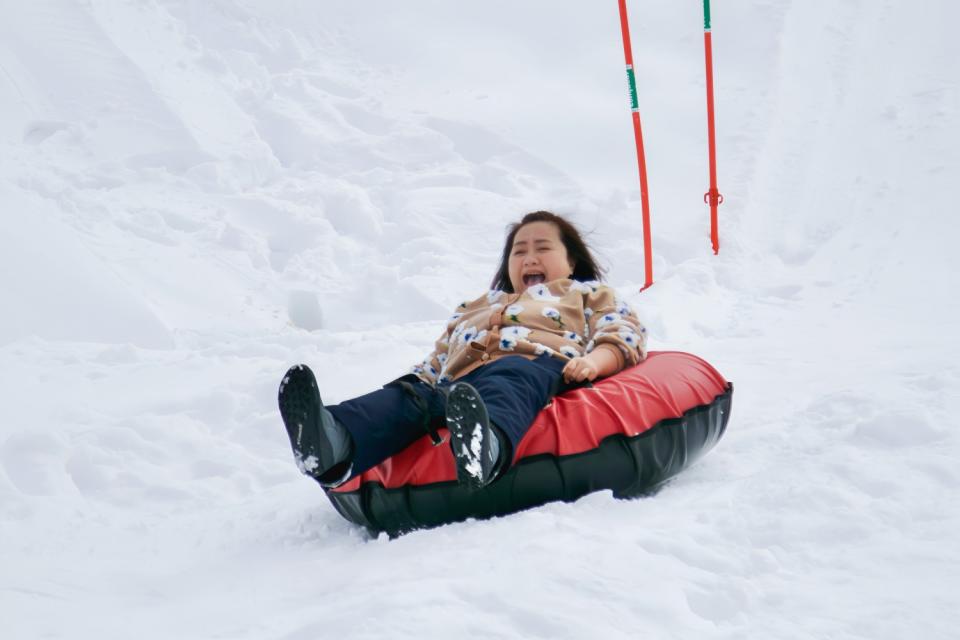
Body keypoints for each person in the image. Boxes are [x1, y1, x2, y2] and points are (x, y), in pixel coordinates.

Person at [278, 210, 648, 491]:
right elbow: (437, 359)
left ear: (572, 262)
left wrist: (595, 362)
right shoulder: (475, 305)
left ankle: (486, 447)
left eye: (543, 248)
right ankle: (333, 441)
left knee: (509, 380)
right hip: (458, 386)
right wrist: (414, 385)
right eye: (519, 251)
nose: (529, 257)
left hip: (533, 365)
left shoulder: (585, 294)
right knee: (408, 398)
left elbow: (622, 333)